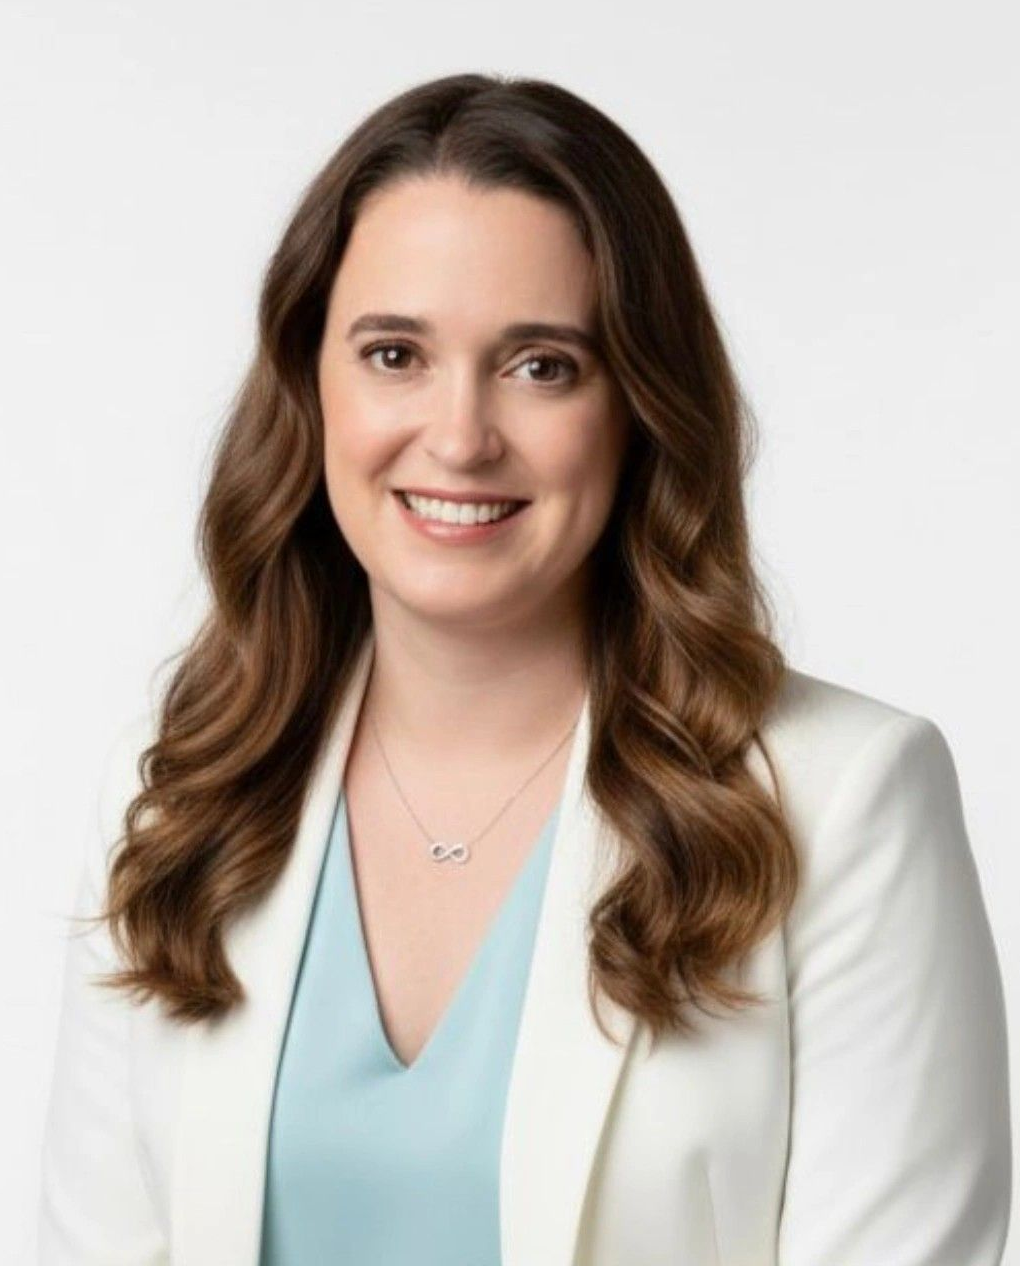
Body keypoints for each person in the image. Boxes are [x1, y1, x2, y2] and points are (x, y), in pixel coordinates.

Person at [38, 72, 1011, 1266]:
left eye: (542, 365)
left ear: (641, 407)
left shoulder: (846, 800)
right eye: (394, 353)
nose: (458, 436)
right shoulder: (177, 795)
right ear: (309, 386)